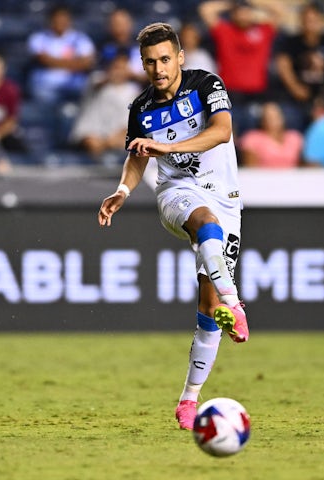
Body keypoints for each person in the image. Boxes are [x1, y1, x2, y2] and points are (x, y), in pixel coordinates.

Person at [97, 23, 249, 430]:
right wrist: (122, 192)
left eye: (165, 59)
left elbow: (221, 131)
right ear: (142, 65)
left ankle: (189, 398)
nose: (158, 69)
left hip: (226, 198)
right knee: (204, 223)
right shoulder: (140, 108)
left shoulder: (206, 84)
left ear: (180, 57)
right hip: (176, 193)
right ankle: (235, 302)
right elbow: (137, 157)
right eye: (150, 62)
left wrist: (167, 145)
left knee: (207, 307)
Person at [198, 0, 283, 133]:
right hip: (230, 94)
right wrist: (232, 3)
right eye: (239, 13)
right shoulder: (224, 30)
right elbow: (205, 10)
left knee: (254, 138)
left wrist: (253, 2)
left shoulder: (263, 31)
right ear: (233, 15)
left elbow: (279, 11)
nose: (243, 16)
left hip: (257, 95)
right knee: (229, 137)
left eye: (246, 12)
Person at [275, 2, 324, 129]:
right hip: (295, 99)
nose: (310, 24)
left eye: (314, 20)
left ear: (321, 21)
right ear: (301, 21)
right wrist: (296, 88)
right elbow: (283, 65)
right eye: (307, 20)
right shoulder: (291, 42)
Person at [69, 54, 141, 160]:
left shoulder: (133, 90)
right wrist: (110, 76)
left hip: (116, 136)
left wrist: (108, 142)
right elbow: (97, 84)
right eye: (117, 67)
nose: (120, 72)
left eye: (123, 68)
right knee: (92, 143)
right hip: (91, 132)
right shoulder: (97, 79)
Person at [27, 4, 96, 104]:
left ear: (69, 20)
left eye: (63, 18)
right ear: (50, 20)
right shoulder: (39, 38)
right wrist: (75, 63)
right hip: (46, 85)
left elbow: (86, 63)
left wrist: (55, 62)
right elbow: (44, 60)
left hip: (74, 86)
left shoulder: (80, 38)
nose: (60, 22)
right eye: (57, 19)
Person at [239, 101, 303, 168]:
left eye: (276, 115)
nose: (273, 119)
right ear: (262, 119)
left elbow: (301, 167)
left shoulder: (295, 137)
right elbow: (250, 170)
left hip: (292, 177)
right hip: (262, 177)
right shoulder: (252, 138)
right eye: (268, 116)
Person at [97, 8, 147, 87]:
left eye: (123, 23)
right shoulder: (102, 47)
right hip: (108, 90)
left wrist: (129, 73)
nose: (120, 28)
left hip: (136, 91)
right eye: (116, 24)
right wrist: (111, 75)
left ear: (130, 24)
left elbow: (150, 76)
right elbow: (95, 78)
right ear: (109, 27)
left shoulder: (141, 48)